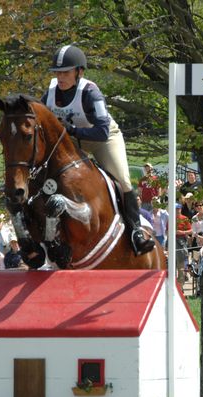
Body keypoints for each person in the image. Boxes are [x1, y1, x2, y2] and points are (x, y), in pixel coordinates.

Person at [42, 44, 154, 256]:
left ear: (79, 72)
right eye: (57, 73)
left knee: (122, 179)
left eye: (65, 72)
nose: (60, 77)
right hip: (73, 143)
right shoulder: (49, 94)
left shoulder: (91, 93)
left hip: (103, 139)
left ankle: (136, 232)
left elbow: (101, 132)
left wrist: (71, 130)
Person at [175, 203, 192, 288]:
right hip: (171, 241)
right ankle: (173, 285)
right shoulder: (170, 219)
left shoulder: (184, 218)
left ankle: (180, 287)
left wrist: (182, 232)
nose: (177, 210)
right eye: (175, 209)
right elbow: (166, 230)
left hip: (181, 241)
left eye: (178, 209)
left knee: (181, 265)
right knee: (171, 265)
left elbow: (190, 231)